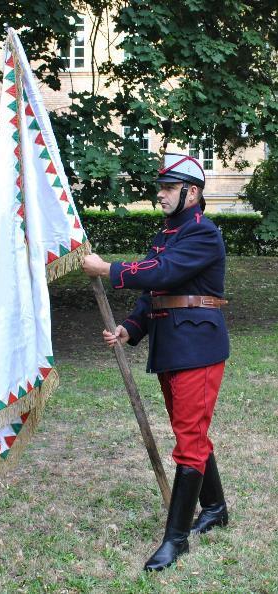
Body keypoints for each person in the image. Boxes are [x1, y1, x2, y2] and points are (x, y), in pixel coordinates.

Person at [82, 153, 230, 572]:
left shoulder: (204, 234)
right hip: (171, 347)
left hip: (197, 347)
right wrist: (131, 328)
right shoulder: (167, 233)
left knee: (189, 437)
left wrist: (109, 268)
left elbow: (162, 272)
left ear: (192, 192)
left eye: (168, 188)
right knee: (192, 432)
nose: (160, 194)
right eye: (160, 187)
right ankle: (215, 508)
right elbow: (155, 293)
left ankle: (175, 540)